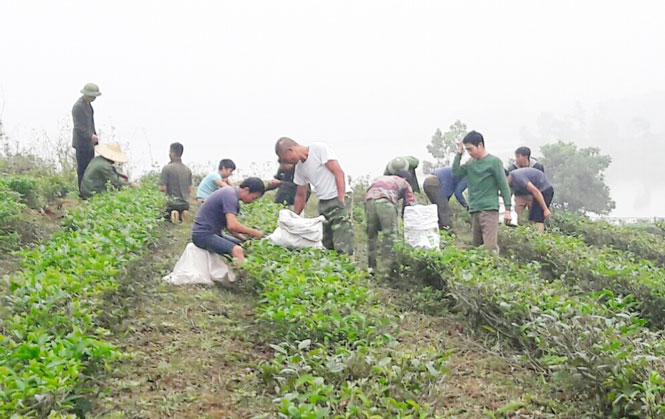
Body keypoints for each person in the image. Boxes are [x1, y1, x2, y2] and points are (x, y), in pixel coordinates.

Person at [275, 137, 354, 254]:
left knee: (342, 240)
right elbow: (301, 195)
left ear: (290, 150)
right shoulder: (299, 168)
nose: (287, 163)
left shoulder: (318, 149)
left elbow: (338, 172)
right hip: (323, 202)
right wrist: (294, 218)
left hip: (337, 197)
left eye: (285, 159)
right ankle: (332, 269)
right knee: (326, 242)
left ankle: (347, 266)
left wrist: (341, 199)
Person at [452, 131, 512, 251]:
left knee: (490, 247)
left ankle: (495, 267)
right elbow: (456, 173)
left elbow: (504, 186)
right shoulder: (470, 164)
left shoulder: (494, 162)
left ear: (480, 145)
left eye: (471, 149)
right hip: (474, 209)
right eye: (467, 150)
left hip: (489, 209)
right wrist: (459, 153)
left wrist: (508, 209)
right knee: (477, 247)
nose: (469, 153)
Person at [191, 178, 265, 262]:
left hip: (214, 233)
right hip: (203, 235)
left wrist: (244, 239)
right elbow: (232, 225)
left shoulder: (231, 194)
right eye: (253, 198)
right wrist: (255, 233)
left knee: (242, 245)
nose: (252, 201)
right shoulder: (230, 195)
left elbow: (229, 227)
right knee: (238, 250)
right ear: (246, 190)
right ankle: (242, 274)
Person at [365, 171, 417, 273]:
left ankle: (371, 267)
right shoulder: (404, 182)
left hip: (369, 201)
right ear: (406, 178)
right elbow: (412, 203)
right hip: (385, 202)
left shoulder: (380, 178)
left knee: (371, 235)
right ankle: (388, 268)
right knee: (389, 234)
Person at [72, 82, 101, 193]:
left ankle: (89, 190)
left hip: (90, 143)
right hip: (81, 143)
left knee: (90, 168)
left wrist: (94, 136)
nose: (93, 99)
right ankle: (82, 192)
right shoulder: (78, 107)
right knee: (83, 168)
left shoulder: (88, 106)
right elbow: (79, 127)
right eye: (92, 96)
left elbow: (91, 124)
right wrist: (90, 135)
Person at [506, 168, 554, 233]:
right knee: (532, 218)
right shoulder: (510, 182)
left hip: (544, 190)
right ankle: (533, 236)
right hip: (536, 192)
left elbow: (535, 191)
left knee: (537, 219)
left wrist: (545, 209)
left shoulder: (518, 177)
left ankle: (539, 238)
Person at [506, 147, 545, 222]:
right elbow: (509, 185)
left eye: (518, 157)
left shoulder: (537, 167)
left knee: (534, 218)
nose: (516, 160)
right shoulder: (512, 168)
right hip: (519, 195)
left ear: (526, 157)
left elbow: (541, 182)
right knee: (515, 217)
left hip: (534, 196)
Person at [160, 142, 192, 223]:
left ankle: (173, 214)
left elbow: (163, 188)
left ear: (173, 153)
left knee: (162, 212)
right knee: (182, 209)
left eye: (170, 152)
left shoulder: (167, 168)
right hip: (185, 204)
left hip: (171, 204)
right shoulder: (187, 170)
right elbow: (189, 190)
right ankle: (183, 213)